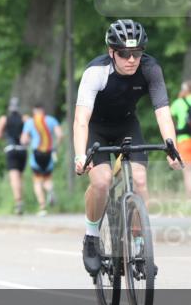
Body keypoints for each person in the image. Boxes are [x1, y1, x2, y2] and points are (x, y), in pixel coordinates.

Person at [73, 19, 182, 276]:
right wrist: (80, 155)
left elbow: (163, 113)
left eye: (137, 53)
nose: (131, 59)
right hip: (96, 128)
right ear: (112, 52)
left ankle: (139, 246)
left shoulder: (151, 69)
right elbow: (80, 120)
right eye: (124, 53)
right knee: (102, 181)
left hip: (126, 125)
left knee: (141, 181)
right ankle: (91, 237)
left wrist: (172, 148)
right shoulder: (96, 72)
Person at [21, 103, 63, 216]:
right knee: (47, 179)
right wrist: (56, 147)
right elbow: (60, 135)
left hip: (36, 153)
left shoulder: (30, 122)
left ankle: (42, 207)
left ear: (34, 111)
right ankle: (50, 191)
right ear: (43, 110)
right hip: (49, 152)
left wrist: (28, 141)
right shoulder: (51, 120)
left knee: (37, 181)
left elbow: (23, 139)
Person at [0, 97, 27, 215]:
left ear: (9, 107)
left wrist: (5, 136)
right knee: (20, 177)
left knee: (14, 178)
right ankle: (21, 199)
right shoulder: (24, 118)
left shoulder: (4, 119)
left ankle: (18, 203)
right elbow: (28, 135)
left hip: (11, 149)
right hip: (22, 150)